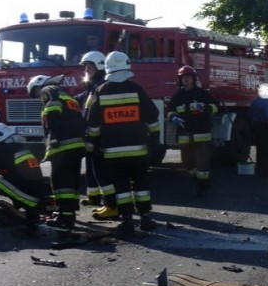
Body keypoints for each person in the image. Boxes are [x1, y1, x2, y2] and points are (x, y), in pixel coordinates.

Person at [86, 51, 160, 233]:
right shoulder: (136, 89)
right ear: (127, 67)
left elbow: (92, 123)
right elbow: (152, 116)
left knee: (122, 187)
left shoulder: (100, 91)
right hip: (138, 150)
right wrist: (154, 139)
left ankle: (127, 221)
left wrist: (94, 144)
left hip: (113, 152)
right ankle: (145, 218)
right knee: (141, 185)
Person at [28, 75, 86, 230]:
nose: (39, 97)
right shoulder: (66, 95)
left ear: (39, 86)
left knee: (60, 182)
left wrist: (53, 138)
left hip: (62, 146)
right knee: (72, 183)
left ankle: (64, 217)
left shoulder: (49, 90)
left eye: (36, 93)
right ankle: (69, 215)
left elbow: (52, 111)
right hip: (77, 145)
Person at [0, 123, 47, 235]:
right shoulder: (16, 146)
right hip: (34, 196)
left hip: (29, 199)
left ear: (0, 136)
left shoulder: (6, 149)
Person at [73, 51, 117, 220]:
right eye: (85, 66)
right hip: (91, 136)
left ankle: (111, 204)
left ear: (99, 66)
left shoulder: (101, 86)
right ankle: (94, 197)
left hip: (101, 137)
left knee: (102, 171)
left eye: (89, 66)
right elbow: (82, 99)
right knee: (91, 168)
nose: (86, 69)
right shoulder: (92, 86)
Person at [167, 65, 219, 196]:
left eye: (188, 77)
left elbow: (215, 107)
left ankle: (203, 187)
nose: (186, 80)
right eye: (184, 77)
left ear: (193, 79)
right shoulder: (177, 96)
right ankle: (199, 179)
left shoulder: (202, 94)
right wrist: (173, 117)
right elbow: (170, 110)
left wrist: (205, 108)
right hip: (184, 136)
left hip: (202, 136)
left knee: (202, 165)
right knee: (187, 165)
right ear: (180, 80)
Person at [248, 83, 268, 177]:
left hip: (257, 127)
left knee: (260, 149)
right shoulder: (264, 103)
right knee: (267, 150)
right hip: (266, 128)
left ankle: (260, 168)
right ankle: (266, 171)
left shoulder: (255, 102)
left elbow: (250, 116)